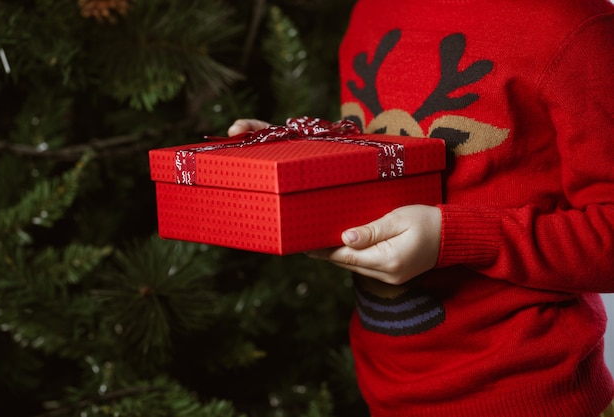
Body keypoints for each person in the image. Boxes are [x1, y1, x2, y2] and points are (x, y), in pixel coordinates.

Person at [228, 0, 614, 415]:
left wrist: (457, 238)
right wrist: (298, 148)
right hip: (386, 388)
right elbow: (382, 151)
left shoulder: (573, 24)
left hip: (532, 396)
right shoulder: (371, 12)